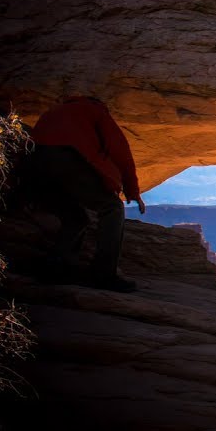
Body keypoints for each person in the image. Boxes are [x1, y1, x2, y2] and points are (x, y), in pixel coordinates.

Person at [25, 96, 145, 292]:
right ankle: (104, 275)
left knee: (75, 218)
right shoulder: (95, 110)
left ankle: (55, 266)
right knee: (112, 208)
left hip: (33, 165)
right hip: (67, 159)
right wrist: (132, 191)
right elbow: (120, 150)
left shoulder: (52, 112)